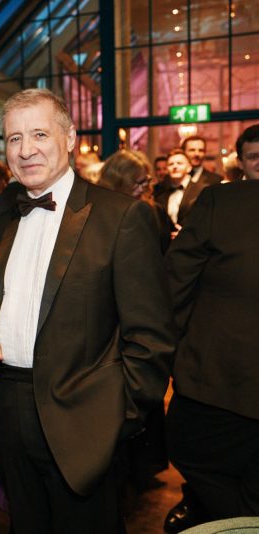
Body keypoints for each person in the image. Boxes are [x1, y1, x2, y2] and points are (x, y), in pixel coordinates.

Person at [0, 88, 176, 533]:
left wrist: (115, 422)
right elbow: (10, 309)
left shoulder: (121, 217)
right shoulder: (2, 221)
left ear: (71, 138)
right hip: (10, 408)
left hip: (85, 421)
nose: (26, 149)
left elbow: (151, 338)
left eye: (39, 134)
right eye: (14, 138)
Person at [162, 123, 259, 533]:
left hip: (218, 380)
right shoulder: (222, 199)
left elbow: (175, 284)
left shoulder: (220, 200)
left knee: (191, 450)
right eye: (254, 156)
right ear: (241, 161)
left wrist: (175, 349)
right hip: (222, 380)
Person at [98, 149, 174, 253]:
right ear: (117, 184)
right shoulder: (101, 214)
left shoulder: (156, 210)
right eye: (136, 183)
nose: (142, 189)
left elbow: (165, 249)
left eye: (145, 181)